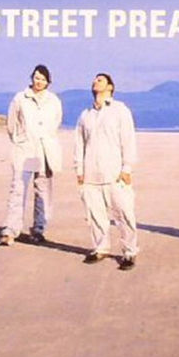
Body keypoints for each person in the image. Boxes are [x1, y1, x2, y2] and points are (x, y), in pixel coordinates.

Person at [74, 72, 138, 270]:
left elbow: (128, 139)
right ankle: (100, 248)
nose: (95, 81)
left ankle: (129, 252)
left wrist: (127, 168)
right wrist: (79, 170)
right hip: (91, 173)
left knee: (124, 214)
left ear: (110, 87)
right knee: (95, 215)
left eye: (100, 80)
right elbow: (79, 144)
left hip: (114, 173)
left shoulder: (120, 110)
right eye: (94, 79)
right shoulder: (85, 115)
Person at [0, 65, 62, 246]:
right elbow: (11, 124)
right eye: (36, 77)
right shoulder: (20, 98)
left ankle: (39, 229)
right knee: (18, 189)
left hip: (45, 151)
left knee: (43, 191)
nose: (39, 81)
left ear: (48, 81)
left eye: (42, 79)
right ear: (32, 78)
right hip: (26, 150)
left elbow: (55, 123)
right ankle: (11, 229)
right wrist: (20, 140)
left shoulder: (53, 100)